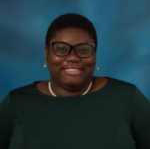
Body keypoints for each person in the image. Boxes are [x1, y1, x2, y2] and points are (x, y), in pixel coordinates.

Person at [0, 13, 150, 149]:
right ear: (47, 53)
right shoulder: (16, 103)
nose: (73, 57)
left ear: (95, 54)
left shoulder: (127, 98)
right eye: (61, 49)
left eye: (84, 49)